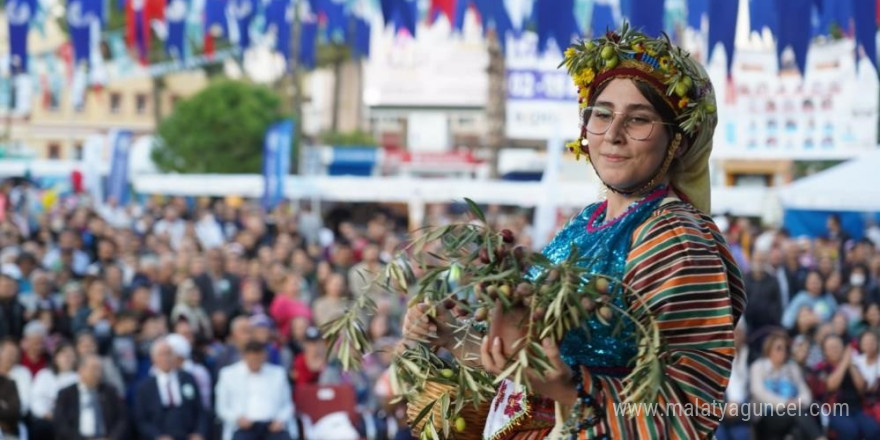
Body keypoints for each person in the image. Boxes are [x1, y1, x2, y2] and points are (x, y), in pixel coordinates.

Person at [403, 25, 746, 439]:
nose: (613, 135)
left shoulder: (675, 239)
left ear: (677, 141)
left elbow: (689, 409)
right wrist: (449, 334)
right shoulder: (586, 221)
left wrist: (568, 389)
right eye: (602, 114)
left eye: (638, 120)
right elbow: (525, 368)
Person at [749, 332, 825, 440]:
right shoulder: (758, 366)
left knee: (798, 432)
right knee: (797, 414)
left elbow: (806, 394)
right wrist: (785, 403)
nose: (783, 352)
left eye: (785, 348)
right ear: (769, 349)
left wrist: (797, 402)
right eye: (779, 348)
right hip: (766, 416)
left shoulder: (792, 368)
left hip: (792, 414)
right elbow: (758, 392)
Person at [215, 341, 294, 440]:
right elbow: (221, 408)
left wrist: (280, 420)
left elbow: (287, 405)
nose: (255, 363)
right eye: (252, 360)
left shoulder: (278, 374)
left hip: (272, 425)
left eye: (258, 359)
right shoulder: (228, 375)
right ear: (244, 356)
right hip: (243, 427)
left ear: (264, 356)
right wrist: (237, 419)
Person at [135, 338, 209, 440]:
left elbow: (200, 410)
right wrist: (157, 436)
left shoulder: (187, 378)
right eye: (162, 354)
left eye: (169, 353)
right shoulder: (145, 387)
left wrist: (199, 433)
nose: (166, 358)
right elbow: (141, 420)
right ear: (153, 359)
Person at [54, 354, 130, 440]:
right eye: (94, 369)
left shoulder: (110, 392)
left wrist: (111, 438)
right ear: (81, 370)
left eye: (100, 369)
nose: (98, 373)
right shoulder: (66, 394)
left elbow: (122, 419)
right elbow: (61, 425)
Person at [29, 342, 79, 440]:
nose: (67, 358)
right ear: (55, 357)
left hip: (71, 421)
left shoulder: (78, 378)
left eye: (70, 355)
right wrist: (45, 414)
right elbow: (36, 399)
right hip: (47, 419)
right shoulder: (44, 375)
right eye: (63, 354)